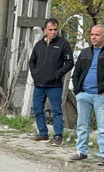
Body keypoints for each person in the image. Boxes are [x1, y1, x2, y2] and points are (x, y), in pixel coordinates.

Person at [69, 24, 104, 165]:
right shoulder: (85, 53)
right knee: (82, 124)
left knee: (102, 126)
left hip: (101, 96)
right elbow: (76, 73)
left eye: (97, 35)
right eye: (92, 34)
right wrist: (77, 91)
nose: (93, 37)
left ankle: (103, 154)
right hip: (84, 94)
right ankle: (81, 151)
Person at [28, 18, 74, 146]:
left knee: (56, 111)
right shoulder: (39, 44)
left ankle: (58, 136)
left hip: (54, 85)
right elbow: (32, 61)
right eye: (50, 30)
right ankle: (43, 134)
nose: (53, 32)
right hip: (39, 84)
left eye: (55, 30)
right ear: (45, 30)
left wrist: (57, 74)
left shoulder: (63, 44)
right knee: (37, 109)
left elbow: (70, 62)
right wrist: (35, 73)